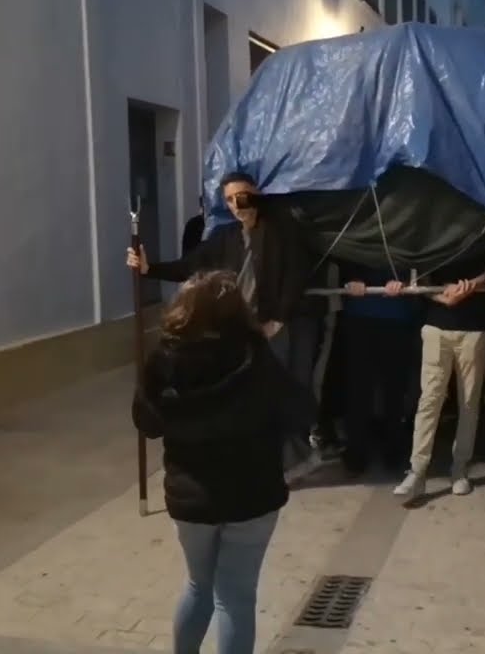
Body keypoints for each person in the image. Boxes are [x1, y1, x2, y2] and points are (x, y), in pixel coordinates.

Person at [131, 270, 315, 654]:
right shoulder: (256, 357)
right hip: (252, 495)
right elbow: (301, 410)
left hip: (191, 496)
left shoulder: (165, 360)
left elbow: (146, 422)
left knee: (199, 586)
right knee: (235, 597)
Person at [126, 172, 317, 385]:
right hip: (244, 327)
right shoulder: (226, 237)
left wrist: (277, 321)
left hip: (276, 324)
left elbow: (295, 273)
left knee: (283, 385)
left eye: (242, 196)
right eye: (229, 199)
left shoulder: (281, 230)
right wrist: (148, 268)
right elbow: (189, 266)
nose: (236, 204)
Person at [393, 263, 485, 498]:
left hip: (475, 327)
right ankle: (417, 472)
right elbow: (417, 274)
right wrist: (441, 296)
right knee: (429, 400)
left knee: (469, 402)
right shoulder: (433, 234)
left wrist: (474, 285)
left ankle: (460, 470)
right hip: (436, 326)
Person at [338, 264, 423, 475]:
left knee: (394, 389)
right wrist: (349, 279)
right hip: (361, 316)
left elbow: (419, 261)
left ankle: (392, 452)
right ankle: (357, 453)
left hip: (396, 318)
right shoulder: (356, 233)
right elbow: (342, 255)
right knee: (359, 389)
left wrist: (404, 281)